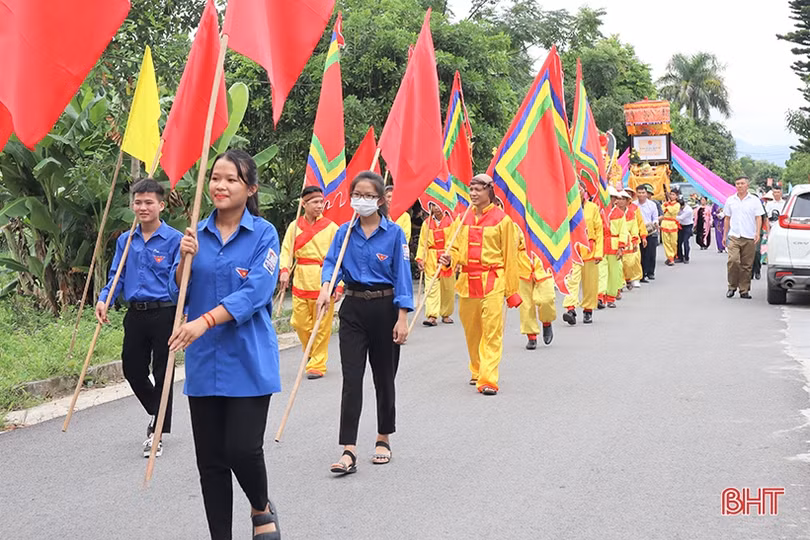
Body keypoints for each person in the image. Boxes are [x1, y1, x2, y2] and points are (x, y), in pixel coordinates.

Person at [167, 149, 281, 540]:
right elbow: (177, 290)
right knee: (211, 463)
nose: (220, 185)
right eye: (216, 177)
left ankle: (261, 506)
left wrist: (205, 320)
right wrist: (184, 262)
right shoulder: (194, 234)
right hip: (204, 365)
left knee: (243, 450)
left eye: (231, 179)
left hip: (248, 360)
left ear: (249, 189)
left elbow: (257, 291)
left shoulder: (264, 233)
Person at [318, 171, 412, 475]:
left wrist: (402, 317)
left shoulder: (395, 233)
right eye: (357, 194)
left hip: (385, 309)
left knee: (384, 378)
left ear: (381, 199)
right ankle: (348, 448)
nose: (363, 200)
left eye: (369, 196)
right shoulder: (344, 232)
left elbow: (402, 276)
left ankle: (383, 437)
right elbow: (332, 263)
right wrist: (325, 287)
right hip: (353, 309)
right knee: (352, 378)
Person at [95, 178, 182, 458]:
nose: (142, 207)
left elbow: (180, 281)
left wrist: (185, 313)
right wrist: (104, 298)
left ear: (161, 205)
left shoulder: (175, 240)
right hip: (135, 314)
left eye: (148, 202)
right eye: (138, 202)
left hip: (165, 313)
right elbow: (116, 275)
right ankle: (158, 413)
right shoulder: (126, 239)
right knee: (132, 368)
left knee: (162, 373)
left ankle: (156, 433)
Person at [438, 174, 521, 395]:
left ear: (489, 191)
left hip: (493, 281)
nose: (473, 193)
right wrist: (449, 260)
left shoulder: (503, 221)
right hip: (467, 282)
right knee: (472, 331)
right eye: (471, 189)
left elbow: (510, 257)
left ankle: (488, 379)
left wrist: (512, 290)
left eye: (478, 189)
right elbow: (453, 248)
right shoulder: (461, 219)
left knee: (492, 332)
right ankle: (476, 369)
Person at [278, 186, 341, 379]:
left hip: (324, 281)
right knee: (299, 322)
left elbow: (339, 256)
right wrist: (284, 271)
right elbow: (287, 250)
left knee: (322, 326)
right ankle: (311, 353)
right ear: (303, 204)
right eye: (315, 202)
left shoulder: (332, 227)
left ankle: (317, 364)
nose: (319, 206)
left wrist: (338, 284)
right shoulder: (294, 226)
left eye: (321, 202)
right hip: (301, 280)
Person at [562, 183, 603, 325]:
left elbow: (599, 230)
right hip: (573, 249)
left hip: (590, 249)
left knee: (589, 283)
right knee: (572, 280)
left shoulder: (593, 208)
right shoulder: (566, 208)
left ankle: (588, 310)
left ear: (584, 191)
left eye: (579, 189)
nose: (577, 192)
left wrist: (598, 252)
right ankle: (570, 309)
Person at [515, 216, 556, 348]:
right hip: (522, 264)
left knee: (547, 298)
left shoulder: (544, 214)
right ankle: (531, 335)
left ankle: (546, 322)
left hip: (542, 263)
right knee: (526, 303)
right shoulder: (513, 218)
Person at [723, 176, 765, 299]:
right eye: (737, 184)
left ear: (747, 185)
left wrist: (757, 232)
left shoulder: (754, 200)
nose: (740, 186)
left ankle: (744, 290)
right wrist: (724, 235)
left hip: (749, 236)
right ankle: (732, 286)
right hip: (735, 236)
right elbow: (727, 218)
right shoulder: (730, 200)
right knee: (733, 261)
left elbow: (759, 217)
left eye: (742, 183)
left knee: (747, 265)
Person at [415, 202, 456, 326]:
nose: (437, 208)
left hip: (446, 257)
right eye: (434, 205)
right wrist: (420, 259)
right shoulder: (426, 223)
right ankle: (432, 315)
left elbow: (456, 241)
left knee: (448, 288)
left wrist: (453, 258)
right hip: (431, 258)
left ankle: (446, 313)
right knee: (431, 286)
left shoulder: (451, 222)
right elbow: (422, 243)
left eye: (439, 205)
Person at [604, 186, 628, 308]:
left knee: (614, 272)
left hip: (614, 245)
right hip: (601, 245)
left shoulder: (619, 213)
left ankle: (611, 296)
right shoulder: (599, 211)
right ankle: (600, 295)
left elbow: (623, 231)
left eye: (611, 197)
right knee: (601, 272)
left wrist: (621, 247)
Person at [620, 188, 645, 289]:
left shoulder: (634, 209)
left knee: (633, 260)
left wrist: (642, 236)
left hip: (631, 239)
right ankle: (621, 281)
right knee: (620, 262)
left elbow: (639, 224)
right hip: (618, 240)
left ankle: (634, 278)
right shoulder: (613, 212)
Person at [636, 184, 659, 281]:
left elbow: (655, 218)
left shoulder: (652, 205)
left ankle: (650, 272)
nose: (641, 195)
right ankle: (642, 273)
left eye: (643, 193)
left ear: (647, 194)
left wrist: (655, 224)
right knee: (640, 253)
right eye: (639, 193)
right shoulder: (633, 205)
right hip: (638, 231)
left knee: (651, 253)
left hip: (650, 231)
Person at [660, 190, 681, 266]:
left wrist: (667, 205)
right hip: (665, 223)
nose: (672, 196)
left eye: (673, 194)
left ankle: (673, 254)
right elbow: (662, 210)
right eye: (671, 194)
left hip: (673, 224)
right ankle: (670, 257)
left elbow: (672, 211)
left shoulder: (677, 204)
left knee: (673, 242)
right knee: (666, 242)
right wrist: (666, 205)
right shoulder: (665, 203)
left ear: (676, 196)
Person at [676, 199, 694, 264]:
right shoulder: (678, 208)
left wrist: (670, 217)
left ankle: (686, 257)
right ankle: (680, 257)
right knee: (678, 241)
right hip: (681, 226)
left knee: (685, 241)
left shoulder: (688, 210)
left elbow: (681, 218)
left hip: (688, 226)